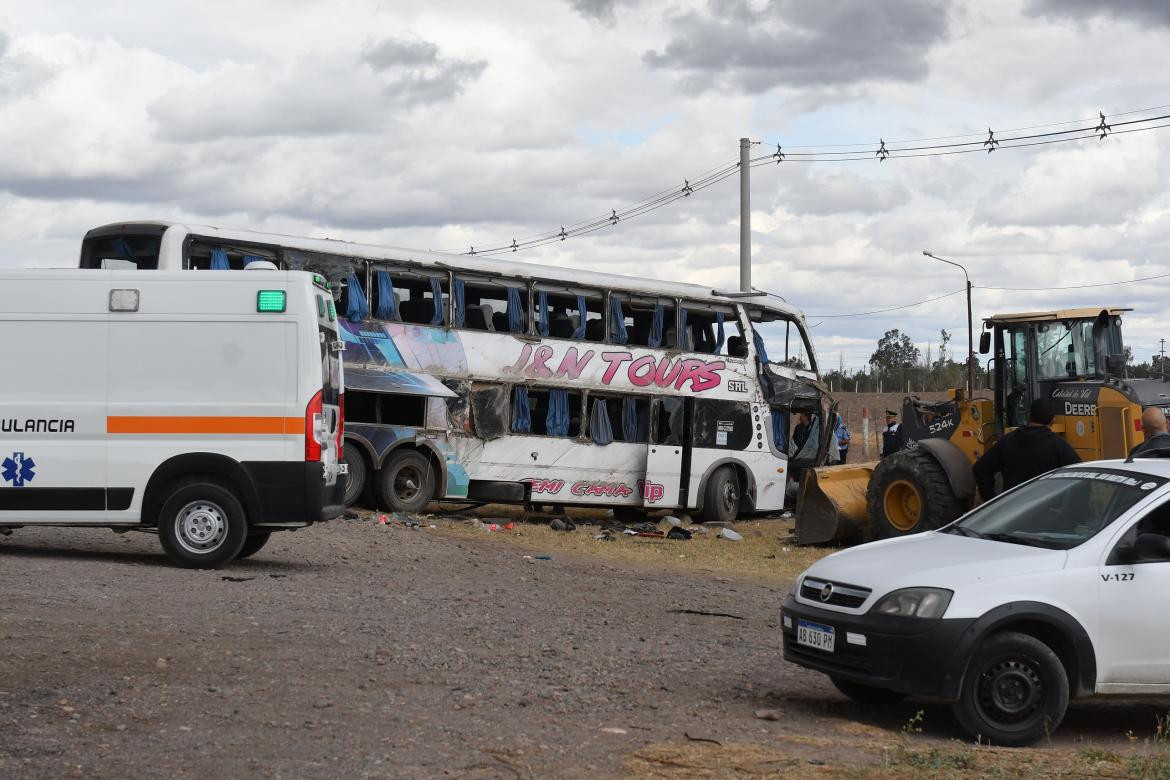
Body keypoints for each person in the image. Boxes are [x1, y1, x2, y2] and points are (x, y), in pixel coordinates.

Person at [973, 397, 1080, 500]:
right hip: (1046, 510)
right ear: (1053, 420)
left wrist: (992, 501)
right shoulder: (1058, 445)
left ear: (1029, 415)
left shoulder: (1006, 442)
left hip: (1013, 511)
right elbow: (1080, 474)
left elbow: (980, 469)